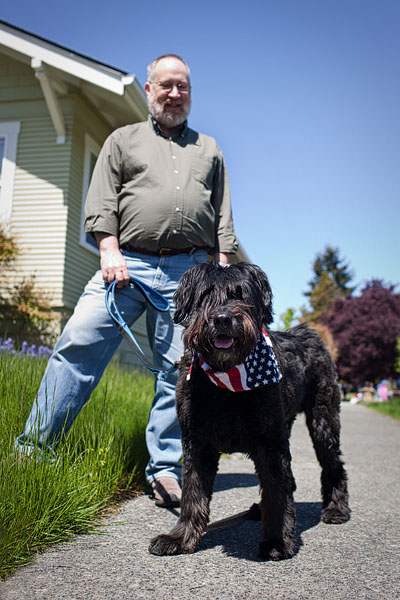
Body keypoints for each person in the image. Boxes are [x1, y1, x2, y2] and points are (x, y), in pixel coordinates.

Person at [16, 54, 238, 507]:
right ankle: (33, 451)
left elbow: (223, 220)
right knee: (78, 341)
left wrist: (223, 280)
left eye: (183, 87)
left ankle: (164, 471)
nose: (175, 94)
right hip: (125, 263)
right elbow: (101, 200)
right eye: (166, 85)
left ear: (190, 94)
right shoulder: (123, 140)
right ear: (149, 90)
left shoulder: (210, 150)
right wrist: (108, 249)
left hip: (191, 273)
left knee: (180, 371)